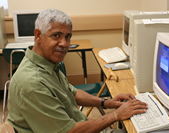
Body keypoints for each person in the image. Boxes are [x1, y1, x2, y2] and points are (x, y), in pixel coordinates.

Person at [7, 9, 148, 133]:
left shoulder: (48, 64)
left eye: (67, 37)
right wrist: (115, 115)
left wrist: (108, 103)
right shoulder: (33, 83)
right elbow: (69, 131)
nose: (64, 44)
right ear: (38, 35)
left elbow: (72, 93)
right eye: (56, 35)